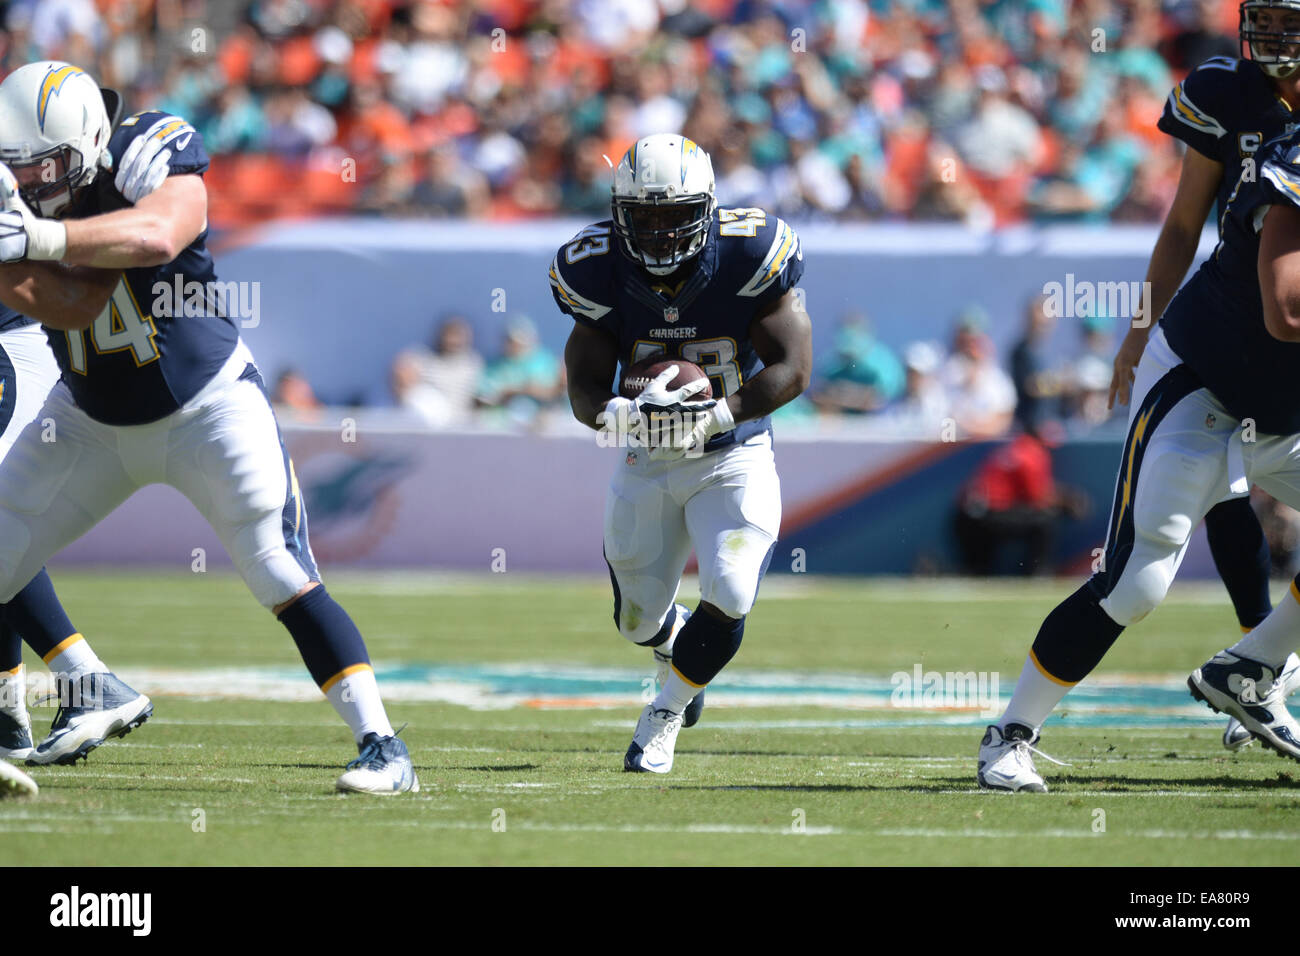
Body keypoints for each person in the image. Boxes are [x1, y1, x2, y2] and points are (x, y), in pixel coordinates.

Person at [0, 61, 416, 793]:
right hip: (90, 418)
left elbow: (161, 235)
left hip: (209, 406)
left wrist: (38, 238)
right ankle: (67, 698)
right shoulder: (27, 201)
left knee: (281, 570)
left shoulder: (143, 148)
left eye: (47, 166)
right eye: (18, 171)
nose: (33, 183)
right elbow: (66, 308)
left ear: (89, 138)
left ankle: (383, 746)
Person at [978, 115, 1300, 792]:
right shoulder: (1293, 160)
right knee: (1137, 584)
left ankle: (1253, 664)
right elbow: (1287, 312)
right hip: (1205, 390)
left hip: (1283, 408)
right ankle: (1009, 734)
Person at [554, 134, 811, 773]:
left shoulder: (749, 252)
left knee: (731, 588)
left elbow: (795, 366)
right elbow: (582, 385)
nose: (662, 234)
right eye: (646, 218)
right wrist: (617, 415)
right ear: (620, 215)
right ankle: (670, 640)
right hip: (648, 456)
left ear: (707, 208)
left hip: (734, 448)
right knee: (636, 623)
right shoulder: (593, 268)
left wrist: (718, 417)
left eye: (675, 216)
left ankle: (664, 712)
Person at [1107, 2, 1300, 751]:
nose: (1276, 36)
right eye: (1270, 19)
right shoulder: (1226, 91)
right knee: (1217, 496)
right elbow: (1185, 222)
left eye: (1293, 20)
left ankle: (1256, 672)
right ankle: (1258, 674)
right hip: (1229, 334)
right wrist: (1138, 329)